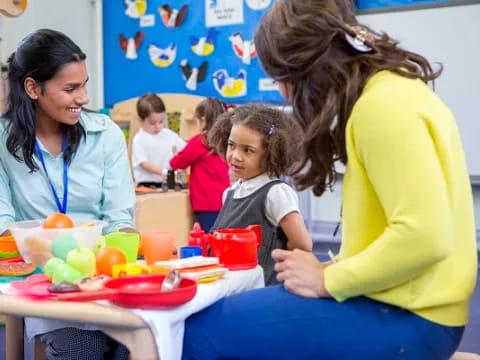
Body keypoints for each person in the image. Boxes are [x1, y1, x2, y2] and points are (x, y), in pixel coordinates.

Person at [181, 0, 478, 359]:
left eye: (281, 79)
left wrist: (328, 279)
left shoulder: (381, 106)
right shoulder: (396, 90)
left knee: (195, 334)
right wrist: (334, 268)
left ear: (307, 68)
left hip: (411, 317)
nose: (281, 92)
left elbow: (426, 236)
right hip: (416, 307)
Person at [0, 29, 135, 360]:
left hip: (104, 280)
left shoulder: (106, 135)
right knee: (85, 350)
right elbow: (4, 228)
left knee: (143, 344)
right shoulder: (3, 143)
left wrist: (128, 251)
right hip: (44, 283)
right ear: (33, 88)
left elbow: (120, 219)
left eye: (84, 84)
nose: (84, 98)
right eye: (71, 88)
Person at [208, 104, 313, 285]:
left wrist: (276, 264)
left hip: (262, 291)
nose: (235, 156)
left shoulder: (275, 192)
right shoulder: (230, 193)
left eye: (247, 150)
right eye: (231, 145)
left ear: (272, 154)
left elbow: (302, 243)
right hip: (232, 288)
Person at [169, 97, 230, 232]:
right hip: (226, 202)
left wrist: (175, 154)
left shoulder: (199, 142)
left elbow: (176, 163)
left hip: (206, 204)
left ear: (203, 120)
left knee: (207, 240)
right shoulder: (226, 141)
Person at [132, 93, 186, 186]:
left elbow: (186, 149)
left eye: (161, 121)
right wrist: (165, 173)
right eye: (152, 123)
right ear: (140, 121)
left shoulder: (168, 134)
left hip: (168, 182)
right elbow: (143, 163)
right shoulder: (140, 139)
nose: (157, 126)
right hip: (147, 184)